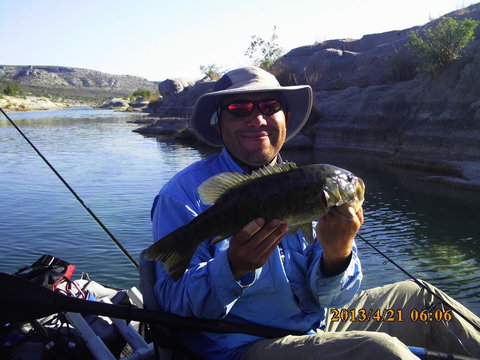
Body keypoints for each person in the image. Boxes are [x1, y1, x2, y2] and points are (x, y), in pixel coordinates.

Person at [150, 67, 480, 360]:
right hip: (241, 346)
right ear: (219, 124)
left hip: (315, 324)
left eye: (269, 107)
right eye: (239, 109)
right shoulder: (182, 195)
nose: (258, 118)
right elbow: (171, 303)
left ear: (286, 119)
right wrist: (232, 267)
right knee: (378, 351)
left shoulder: (305, 185)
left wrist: (338, 254)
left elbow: (332, 299)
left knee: (429, 303)